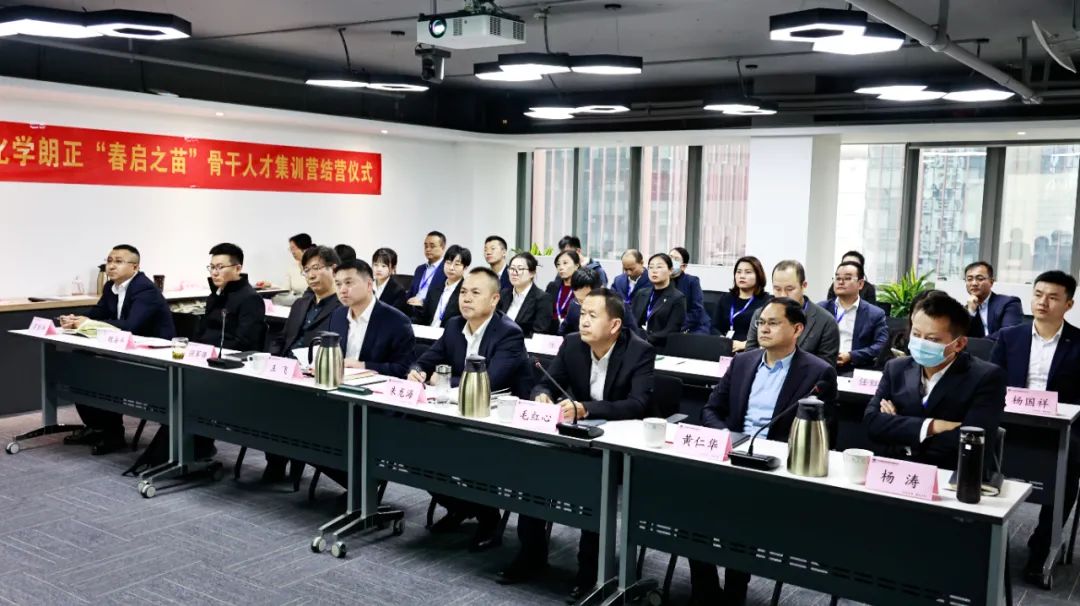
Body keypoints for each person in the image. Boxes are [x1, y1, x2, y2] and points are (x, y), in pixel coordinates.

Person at [501, 288, 655, 603]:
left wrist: (586, 409)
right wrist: (542, 395)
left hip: (617, 446)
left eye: (592, 316)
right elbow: (544, 382)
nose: (583, 321)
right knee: (532, 471)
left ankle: (591, 571)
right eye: (582, 313)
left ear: (614, 325)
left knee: (594, 487)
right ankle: (531, 553)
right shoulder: (572, 343)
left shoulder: (639, 351)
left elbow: (638, 404)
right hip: (576, 436)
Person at [692, 298, 838, 605]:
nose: (763, 329)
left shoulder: (818, 372)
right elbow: (711, 409)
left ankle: (735, 594)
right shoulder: (743, 362)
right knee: (687, 512)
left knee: (738, 521)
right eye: (761, 323)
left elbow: (823, 433)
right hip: (731, 456)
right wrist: (726, 437)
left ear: (797, 329)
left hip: (774, 468)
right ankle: (706, 591)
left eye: (773, 323)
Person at [408, 268, 532, 551]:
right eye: (463, 291)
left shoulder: (509, 333)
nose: (466, 298)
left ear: (494, 299)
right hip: (456, 414)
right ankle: (460, 507)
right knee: (415, 448)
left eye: (475, 293)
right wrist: (418, 371)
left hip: (499, 424)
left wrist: (443, 379)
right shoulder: (454, 325)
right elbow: (426, 359)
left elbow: (488, 382)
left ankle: (489, 518)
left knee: (468, 453)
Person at [990, 271, 1080, 583]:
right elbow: (992, 382)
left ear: (1068, 304)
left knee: (1067, 470)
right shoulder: (1010, 336)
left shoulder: (1079, 343)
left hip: (1062, 429)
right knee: (981, 451)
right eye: (1039, 294)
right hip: (1012, 423)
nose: (1043, 302)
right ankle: (989, 538)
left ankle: (1042, 548)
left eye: (1053, 297)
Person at [864, 292, 1006, 470]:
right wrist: (932, 426)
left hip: (951, 474)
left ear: (959, 344)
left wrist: (899, 426)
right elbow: (872, 424)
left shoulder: (986, 377)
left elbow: (970, 440)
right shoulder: (896, 368)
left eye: (932, 339)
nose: (921, 343)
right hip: (897, 470)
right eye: (916, 334)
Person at [59, 244, 175, 455]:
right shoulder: (110, 287)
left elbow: (131, 326)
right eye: (109, 261)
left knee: (103, 371)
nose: (111, 266)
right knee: (80, 360)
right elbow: (99, 312)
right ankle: (96, 427)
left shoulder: (145, 289)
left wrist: (88, 323)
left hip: (151, 354)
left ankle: (113, 433)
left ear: (135, 267)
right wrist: (76, 318)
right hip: (123, 349)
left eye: (118, 262)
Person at [746, 260, 839, 365]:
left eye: (789, 289)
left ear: (804, 286)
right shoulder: (761, 314)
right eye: (777, 289)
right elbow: (750, 355)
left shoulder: (825, 321)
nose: (783, 295)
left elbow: (825, 368)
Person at [818, 261, 889, 374]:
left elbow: (881, 345)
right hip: (823, 367)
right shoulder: (821, 309)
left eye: (847, 278)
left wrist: (851, 356)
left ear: (860, 284)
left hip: (857, 369)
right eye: (837, 278)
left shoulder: (875, 314)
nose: (841, 282)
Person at [270, 246, 342, 358]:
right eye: (306, 270)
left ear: (334, 270)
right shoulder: (299, 304)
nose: (311, 276)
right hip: (286, 364)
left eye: (316, 268)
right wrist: (272, 358)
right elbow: (282, 338)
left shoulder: (343, 308)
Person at [710, 255, 770, 351]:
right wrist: (723, 340)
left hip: (751, 350)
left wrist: (745, 345)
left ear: (758, 276)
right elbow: (714, 327)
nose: (742, 276)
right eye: (738, 272)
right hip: (725, 348)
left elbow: (768, 332)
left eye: (748, 272)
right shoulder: (725, 298)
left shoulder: (767, 302)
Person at [631, 253, 687, 347]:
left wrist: (646, 339)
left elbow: (671, 330)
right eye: (651, 267)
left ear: (670, 270)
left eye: (659, 267)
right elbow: (631, 321)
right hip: (636, 344)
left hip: (660, 347)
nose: (654, 271)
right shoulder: (641, 293)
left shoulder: (677, 298)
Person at [497, 252, 554, 337]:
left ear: (532, 273)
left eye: (520, 269)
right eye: (512, 268)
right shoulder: (503, 294)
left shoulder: (543, 299)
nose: (514, 273)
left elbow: (539, 333)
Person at [964, 261, 1024, 339]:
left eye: (980, 279)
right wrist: (971, 312)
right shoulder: (967, 310)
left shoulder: (1009, 303)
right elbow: (958, 337)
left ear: (991, 282)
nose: (974, 283)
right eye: (969, 279)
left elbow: (1009, 333)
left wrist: (980, 343)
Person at [420, 245, 470, 327]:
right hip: (428, 331)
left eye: (457, 264)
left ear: (465, 268)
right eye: (448, 263)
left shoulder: (466, 293)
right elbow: (424, 316)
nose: (451, 268)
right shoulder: (435, 288)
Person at [668, 247, 711, 334]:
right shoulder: (662, 281)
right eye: (670, 257)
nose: (671, 261)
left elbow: (697, 310)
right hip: (670, 326)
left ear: (683, 266)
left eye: (676, 259)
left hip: (695, 326)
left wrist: (677, 325)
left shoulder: (692, 281)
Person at [405, 231, 448, 317]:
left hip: (430, 312)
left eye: (432, 246)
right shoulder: (420, 269)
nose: (428, 249)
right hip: (412, 309)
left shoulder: (447, 270)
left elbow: (444, 297)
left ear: (443, 247)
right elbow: (411, 292)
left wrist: (422, 302)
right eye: (426, 246)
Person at [559, 267, 604, 336]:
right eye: (580, 300)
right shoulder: (574, 304)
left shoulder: (610, 310)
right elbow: (564, 330)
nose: (583, 305)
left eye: (587, 300)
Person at [545, 249, 582, 327]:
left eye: (565, 263)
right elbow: (544, 312)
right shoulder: (552, 286)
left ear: (576, 266)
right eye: (558, 264)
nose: (561, 267)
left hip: (572, 330)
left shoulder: (582, 289)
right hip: (550, 330)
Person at [371, 247, 409, 315]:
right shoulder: (366, 285)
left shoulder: (398, 291)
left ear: (393, 268)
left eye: (383, 266)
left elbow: (394, 315)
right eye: (376, 265)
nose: (379, 269)